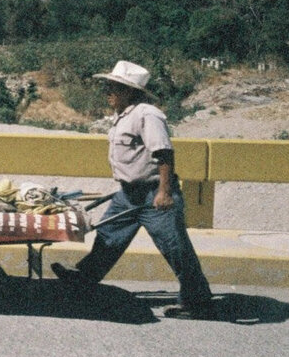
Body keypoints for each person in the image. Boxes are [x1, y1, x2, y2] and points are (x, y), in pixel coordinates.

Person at [52, 60, 214, 319]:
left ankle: (198, 302)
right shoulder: (124, 115)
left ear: (129, 91)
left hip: (153, 194)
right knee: (107, 238)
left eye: (113, 87)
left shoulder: (146, 115)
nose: (108, 92)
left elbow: (163, 154)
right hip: (128, 194)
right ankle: (82, 281)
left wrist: (164, 192)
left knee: (175, 248)